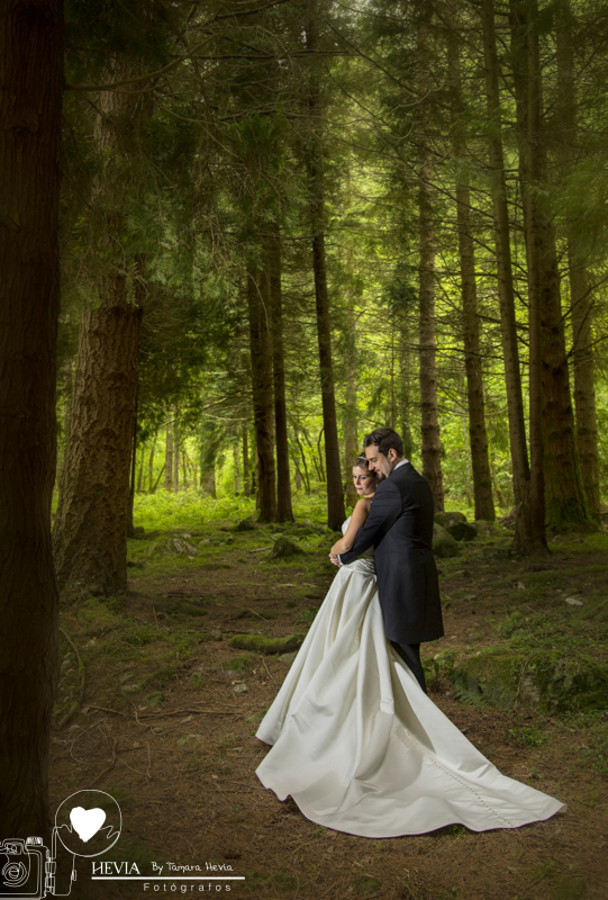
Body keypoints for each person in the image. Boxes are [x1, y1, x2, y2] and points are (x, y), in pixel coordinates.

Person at [255, 454, 565, 838]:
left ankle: (337, 721)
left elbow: (348, 543)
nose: (357, 483)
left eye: (363, 476)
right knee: (347, 651)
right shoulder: (386, 499)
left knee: (347, 652)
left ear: (375, 474)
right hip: (362, 584)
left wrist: (337, 550)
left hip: (357, 584)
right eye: (353, 477)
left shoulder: (367, 504)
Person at [331, 427, 442, 693]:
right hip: (415, 579)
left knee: (405, 656)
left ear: (391, 454)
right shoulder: (418, 481)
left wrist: (342, 555)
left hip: (401, 584)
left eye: (374, 460)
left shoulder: (394, 486)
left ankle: (423, 724)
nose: (371, 467)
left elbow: (369, 532)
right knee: (403, 653)